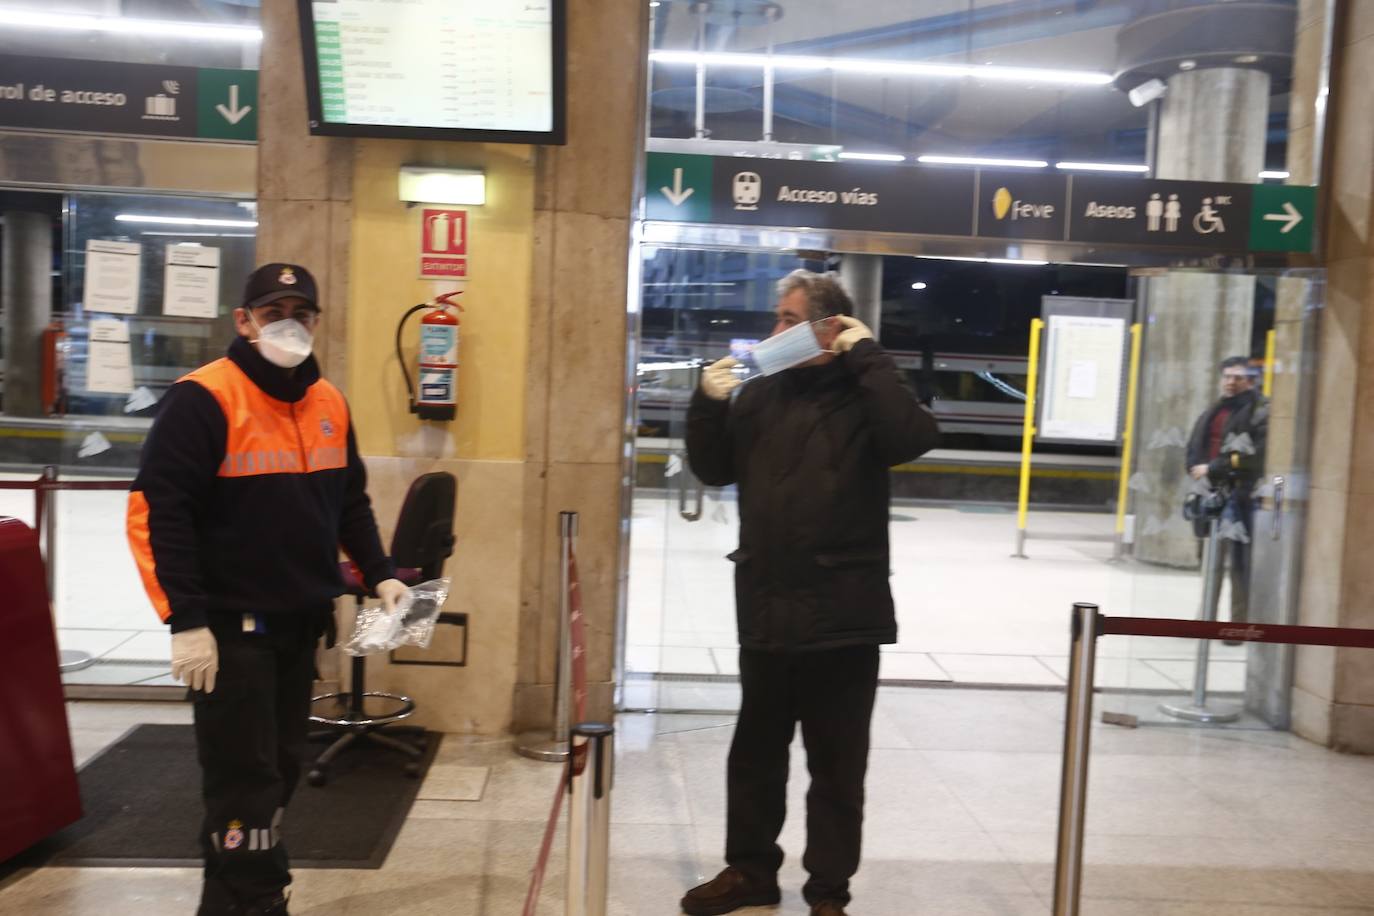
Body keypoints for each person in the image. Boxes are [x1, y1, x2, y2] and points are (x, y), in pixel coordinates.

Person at [126, 263, 408, 916]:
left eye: (301, 312)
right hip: (230, 631)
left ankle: (227, 902)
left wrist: (382, 571)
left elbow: (349, 504)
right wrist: (185, 620)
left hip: (298, 624)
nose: (289, 323)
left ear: (315, 322)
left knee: (275, 776)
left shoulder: (329, 401)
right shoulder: (203, 398)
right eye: (273, 310)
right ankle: (258, 902)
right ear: (243, 321)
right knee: (245, 781)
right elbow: (157, 512)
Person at [680, 270, 939, 916]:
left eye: (787, 319)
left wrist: (869, 355)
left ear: (828, 329)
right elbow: (713, 469)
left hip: (843, 615)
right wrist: (706, 404)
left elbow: (911, 438)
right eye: (775, 317)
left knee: (837, 768)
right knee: (755, 757)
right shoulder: (760, 394)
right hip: (767, 605)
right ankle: (749, 872)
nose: (774, 330)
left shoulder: (866, 395)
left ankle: (828, 892)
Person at [1184, 355, 1268, 627]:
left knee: (1239, 565)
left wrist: (1212, 468)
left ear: (1250, 380)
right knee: (1209, 561)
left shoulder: (1259, 410)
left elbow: (1257, 455)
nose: (1231, 382)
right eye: (1227, 376)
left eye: (1238, 377)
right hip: (1210, 496)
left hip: (1240, 496)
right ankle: (1206, 618)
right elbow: (1195, 443)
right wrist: (1195, 469)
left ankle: (1238, 623)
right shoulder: (1215, 409)